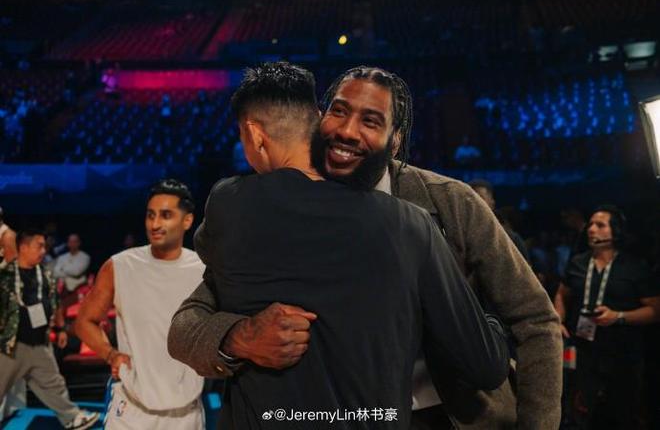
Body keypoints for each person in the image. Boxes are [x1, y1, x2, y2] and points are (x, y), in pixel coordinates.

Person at [169, 66, 562, 429]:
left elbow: (534, 320)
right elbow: (188, 323)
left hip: (450, 417)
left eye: (370, 121)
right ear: (319, 118)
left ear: (395, 141)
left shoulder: (450, 203)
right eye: (338, 112)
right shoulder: (275, 214)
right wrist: (240, 336)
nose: (347, 131)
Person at [73, 180, 205, 429]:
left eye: (165, 215)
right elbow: (84, 322)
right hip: (130, 412)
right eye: (150, 215)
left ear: (187, 221)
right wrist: (111, 354)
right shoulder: (120, 266)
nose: (155, 224)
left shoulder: (203, 271)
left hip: (186, 413)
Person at [554, 205, 660, 429]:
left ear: (616, 232)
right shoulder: (578, 263)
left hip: (622, 355)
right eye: (591, 224)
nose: (591, 229)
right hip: (583, 352)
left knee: (621, 416)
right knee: (580, 414)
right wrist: (558, 321)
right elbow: (562, 294)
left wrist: (618, 316)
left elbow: (655, 310)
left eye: (600, 225)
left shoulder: (634, 267)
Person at [0, 229, 99, 430]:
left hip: (40, 344)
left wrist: (61, 328)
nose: (44, 251)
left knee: (54, 384)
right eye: (39, 246)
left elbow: (55, 302)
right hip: (10, 347)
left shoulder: (45, 274)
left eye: (44, 246)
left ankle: (72, 418)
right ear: (24, 247)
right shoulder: (5, 275)